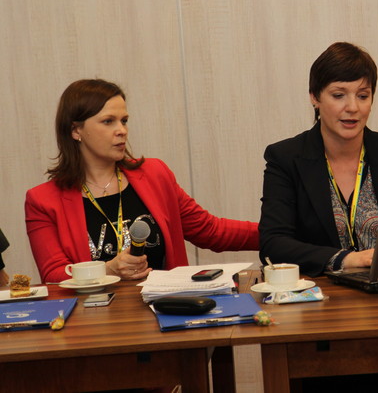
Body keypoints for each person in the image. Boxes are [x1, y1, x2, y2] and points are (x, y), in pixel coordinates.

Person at [259, 42, 378, 392]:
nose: (353, 108)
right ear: (314, 98)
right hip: (321, 323)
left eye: (363, 95)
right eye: (338, 95)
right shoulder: (286, 159)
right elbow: (274, 243)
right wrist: (346, 259)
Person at [26, 79, 259, 284]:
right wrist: (107, 270)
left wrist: (274, 232)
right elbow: (53, 275)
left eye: (124, 120)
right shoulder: (42, 201)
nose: (122, 130)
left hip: (163, 308)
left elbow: (210, 230)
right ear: (76, 130)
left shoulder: (154, 175)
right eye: (108, 121)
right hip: (93, 316)